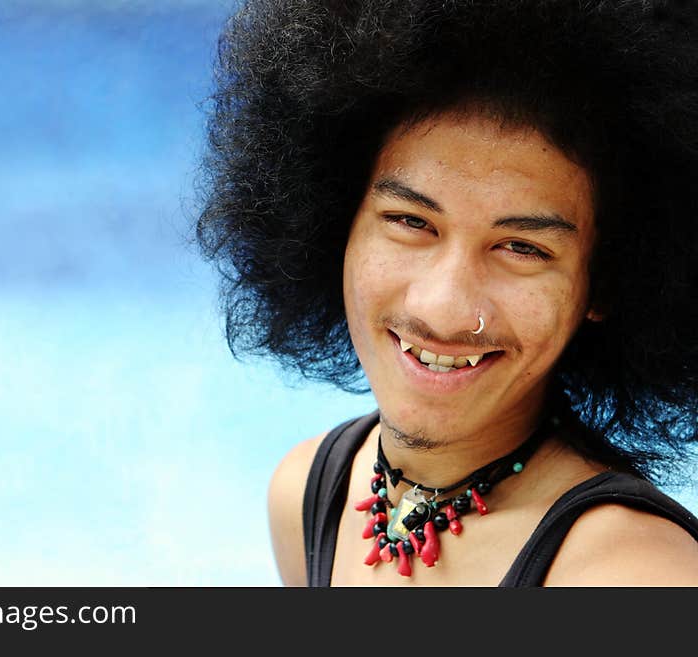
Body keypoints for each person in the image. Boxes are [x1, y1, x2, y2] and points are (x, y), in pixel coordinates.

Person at [196, 0, 698, 586]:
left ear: (606, 282)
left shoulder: (634, 577)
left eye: (522, 248)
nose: (444, 307)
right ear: (335, 224)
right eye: (411, 222)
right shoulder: (306, 495)